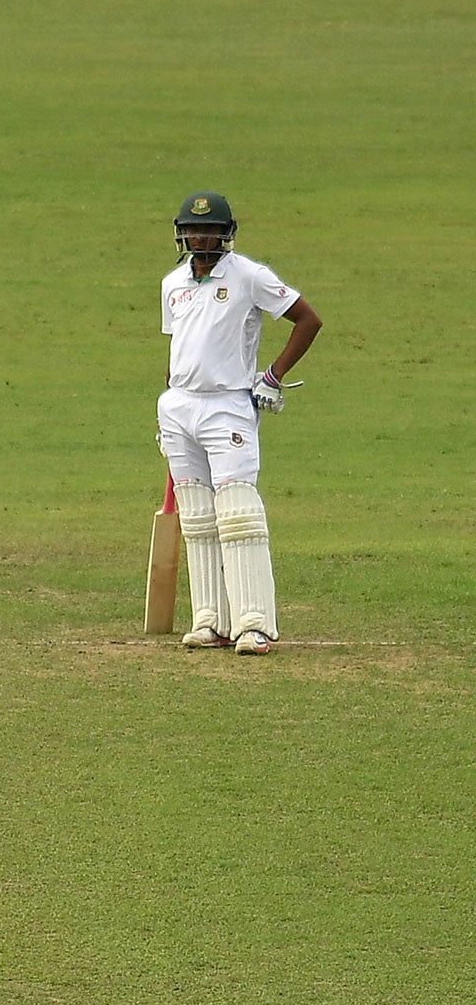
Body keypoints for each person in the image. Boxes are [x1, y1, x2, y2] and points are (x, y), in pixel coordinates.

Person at [159, 191, 322, 657]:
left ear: (226, 233)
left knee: (237, 513)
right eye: (192, 229)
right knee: (197, 516)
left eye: (208, 229)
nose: (199, 236)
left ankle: (254, 624)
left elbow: (308, 319)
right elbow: (182, 348)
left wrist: (272, 376)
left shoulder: (249, 276)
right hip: (179, 407)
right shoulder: (173, 283)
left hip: (228, 405)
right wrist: (170, 403)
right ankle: (210, 620)